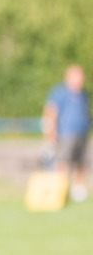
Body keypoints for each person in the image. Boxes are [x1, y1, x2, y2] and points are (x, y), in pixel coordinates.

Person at [43, 64, 91, 202]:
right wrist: (51, 132)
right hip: (66, 134)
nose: (81, 79)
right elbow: (51, 112)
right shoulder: (60, 92)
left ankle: (79, 193)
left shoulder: (83, 94)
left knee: (81, 163)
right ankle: (61, 191)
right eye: (78, 75)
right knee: (63, 162)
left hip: (82, 133)